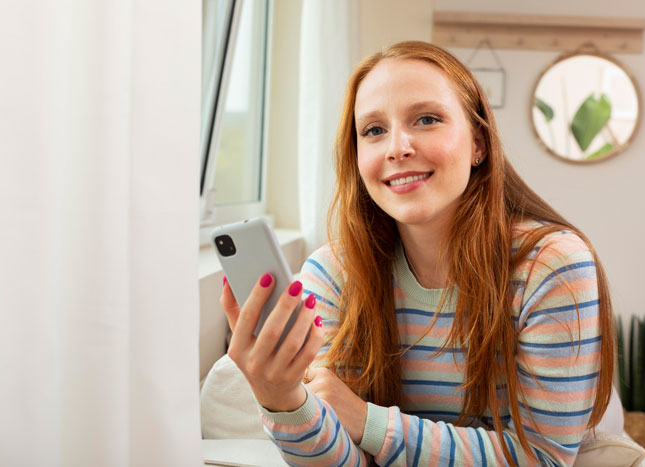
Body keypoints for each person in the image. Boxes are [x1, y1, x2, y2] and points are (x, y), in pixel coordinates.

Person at [220, 40, 615, 466]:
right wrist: (284, 401)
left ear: (479, 144)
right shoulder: (333, 273)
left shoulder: (550, 266)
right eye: (374, 130)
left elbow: (543, 459)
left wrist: (367, 421)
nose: (397, 147)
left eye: (427, 119)